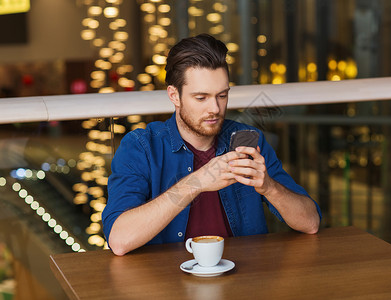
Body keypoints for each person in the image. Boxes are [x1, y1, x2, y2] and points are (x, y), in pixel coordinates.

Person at [102, 34, 321, 256]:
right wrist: (197, 182)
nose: (215, 108)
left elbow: (311, 223)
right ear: (174, 95)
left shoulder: (247, 139)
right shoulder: (141, 146)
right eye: (201, 98)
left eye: (222, 96)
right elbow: (120, 240)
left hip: (245, 279)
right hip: (167, 284)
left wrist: (269, 187)